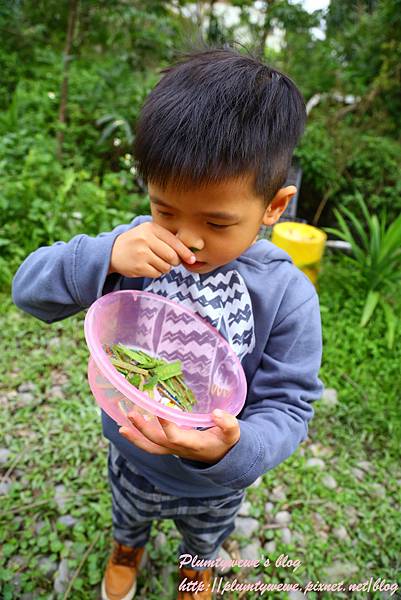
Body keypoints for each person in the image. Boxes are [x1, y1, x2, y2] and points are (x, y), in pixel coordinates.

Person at [12, 45, 324, 600]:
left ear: (274, 207)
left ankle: (194, 567)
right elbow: (28, 292)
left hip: (213, 482)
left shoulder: (287, 296)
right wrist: (107, 253)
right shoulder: (134, 247)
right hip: (131, 452)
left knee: (201, 539)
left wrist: (235, 449)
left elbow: (290, 405)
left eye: (218, 221)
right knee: (127, 512)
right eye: (165, 210)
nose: (188, 239)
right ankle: (126, 548)